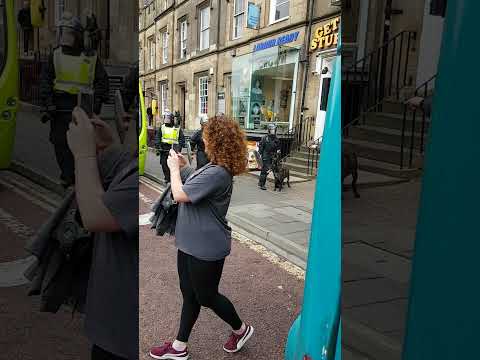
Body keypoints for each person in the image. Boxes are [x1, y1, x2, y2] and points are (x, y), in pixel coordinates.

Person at [149, 115, 254, 360]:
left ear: (216, 140)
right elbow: (194, 183)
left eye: (206, 136)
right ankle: (179, 347)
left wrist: (174, 170)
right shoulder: (212, 167)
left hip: (206, 246)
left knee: (206, 296)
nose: (202, 139)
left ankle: (241, 329)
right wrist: (184, 167)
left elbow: (180, 194)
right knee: (190, 294)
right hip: (189, 242)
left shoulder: (218, 172)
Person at [66, 65, 139, 360]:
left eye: (132, 118)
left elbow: (95, 215)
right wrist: (110, 145)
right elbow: (125, 166)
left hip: (122, 333)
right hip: (118, 321)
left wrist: (84, 154)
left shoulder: (140, 178)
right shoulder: (136, 164)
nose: (125, 120)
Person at [39, 11, 109, 187]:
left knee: (84, 143)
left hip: (83, 104)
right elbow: (46, 79)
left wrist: (98, 101)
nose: (65, 38)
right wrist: (48, 103)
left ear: (77, 35)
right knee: (60, 143)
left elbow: (102, 80)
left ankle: (81, 177)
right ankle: (68, 176)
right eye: (63, 33)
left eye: (69, 33)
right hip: (60, 105)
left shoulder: (91, 56)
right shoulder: (56, 55)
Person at [154, 110, 185, 183]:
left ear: (172, 119)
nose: (166, 121)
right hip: (164, 149)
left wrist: (179, 148)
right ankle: (167, 178)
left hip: (174, 149)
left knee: (174, 165)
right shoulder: (162, 127)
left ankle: (173, 179)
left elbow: (181, 139)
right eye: (165, 119)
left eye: (168, 119)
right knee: (164, 165)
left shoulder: (177, 128)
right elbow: (158, 137)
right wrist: (158, 146)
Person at [258, 123, 280, 190]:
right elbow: (261, 148)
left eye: (274, 129)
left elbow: (278, 148)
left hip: (273, 156)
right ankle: (262, 184)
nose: (273, 131)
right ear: (269, 130)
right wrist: (260, 155)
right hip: (266, 155)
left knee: (276, 170)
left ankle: (277, 184)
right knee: (265, 170)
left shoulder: (276, 139)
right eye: (272, 129)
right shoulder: (265, 138)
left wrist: (278, 154)